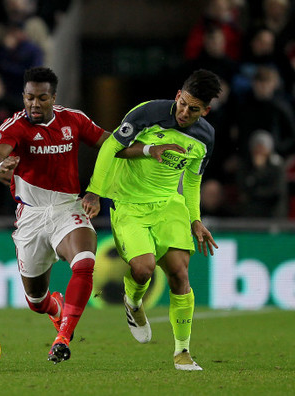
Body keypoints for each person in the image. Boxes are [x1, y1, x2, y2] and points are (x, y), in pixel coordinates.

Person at [83, 69, 222, 371]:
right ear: (178, 95)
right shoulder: (148, 113)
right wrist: (95, 192)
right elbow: (113, 148)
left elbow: (194, 180)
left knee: (179, 275)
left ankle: (182, 352)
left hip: (169, 205)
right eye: (183, 103)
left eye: (194, 108)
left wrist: (195, 219)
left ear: (206, 110)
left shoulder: (205, 137)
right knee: (143, 269)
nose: (185, 112)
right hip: (129, 203)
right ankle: (133, 303)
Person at [0, 67, 111, 363]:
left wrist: (96, 189)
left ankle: (63, 338)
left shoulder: (74, 120)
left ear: (53, 98)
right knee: (36, 302)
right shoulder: (14, 126)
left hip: (69, 207)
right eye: (29, 97)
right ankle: (54, 307)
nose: (34, 104)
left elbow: (111, 145)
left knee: (84, 262)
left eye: (42, 98)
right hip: (31, 215)